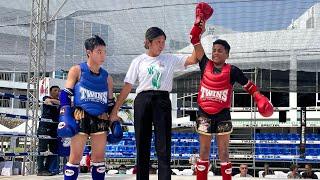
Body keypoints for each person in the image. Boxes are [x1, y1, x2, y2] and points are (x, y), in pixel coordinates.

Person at [189, 3, 273, 179]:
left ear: (227, 54)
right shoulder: (204, 63)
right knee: (203, 152)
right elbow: (195, 40)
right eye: (213, 50)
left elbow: (249, 86)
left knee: (224, 153)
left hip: (223, 114)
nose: (215, 53)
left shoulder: (233, 70)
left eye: (219, 51)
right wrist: (199, 26)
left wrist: (260, 98)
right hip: (204, 113)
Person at [109, 25, 203, 180]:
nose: (161, 45)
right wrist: (115, 111)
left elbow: (195, 58)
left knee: (163, 146)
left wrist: (196, 38)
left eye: (163, 41)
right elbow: (127, 87)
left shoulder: (170, 58)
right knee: (142, 144)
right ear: (149, 42)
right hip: (142, 100)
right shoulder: (138, 60)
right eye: (158, 41)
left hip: (162, 101)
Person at [57, 35, 122, 180]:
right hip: (80, 116)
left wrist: (114, 121)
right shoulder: (77, 70)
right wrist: (65, 116)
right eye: (99, 51)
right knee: (75, 158)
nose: (103, 55)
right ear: (89, 52)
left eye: (104, 51)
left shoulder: (107, 78)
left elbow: (110, 103)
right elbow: (65, 95)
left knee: (99, 159)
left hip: (101, 118)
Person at [37, 85, 60, 176]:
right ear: (50, 92)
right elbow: (48, 101)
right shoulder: (46, 97)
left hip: (54, 129)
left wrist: (58, 102)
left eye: (58, 91)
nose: (57, 92)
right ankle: (40, 169)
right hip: (44, 128)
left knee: (53, 150)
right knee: (42, 149)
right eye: (55, 90)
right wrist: (58, 102)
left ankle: (47, 169)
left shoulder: (59, 102)